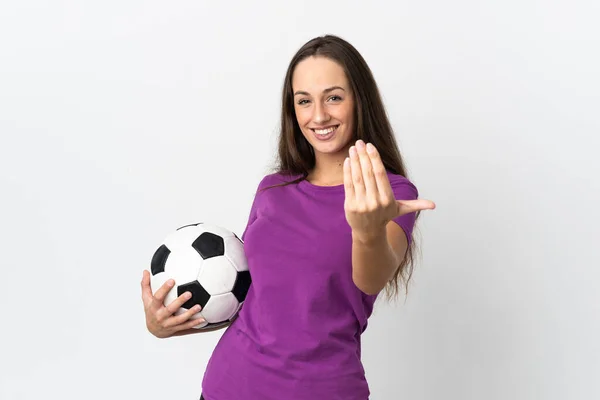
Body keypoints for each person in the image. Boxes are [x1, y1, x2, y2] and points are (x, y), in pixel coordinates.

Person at [141, 34, 436, 400]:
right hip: (227, 386)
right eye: (304, 101)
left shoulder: (389, 194)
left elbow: (372, 279)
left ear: (360, 101)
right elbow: (253, 302)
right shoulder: (272, 189)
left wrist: (367, 231)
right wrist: (167, 324)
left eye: (334, 97)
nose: (319, 116)